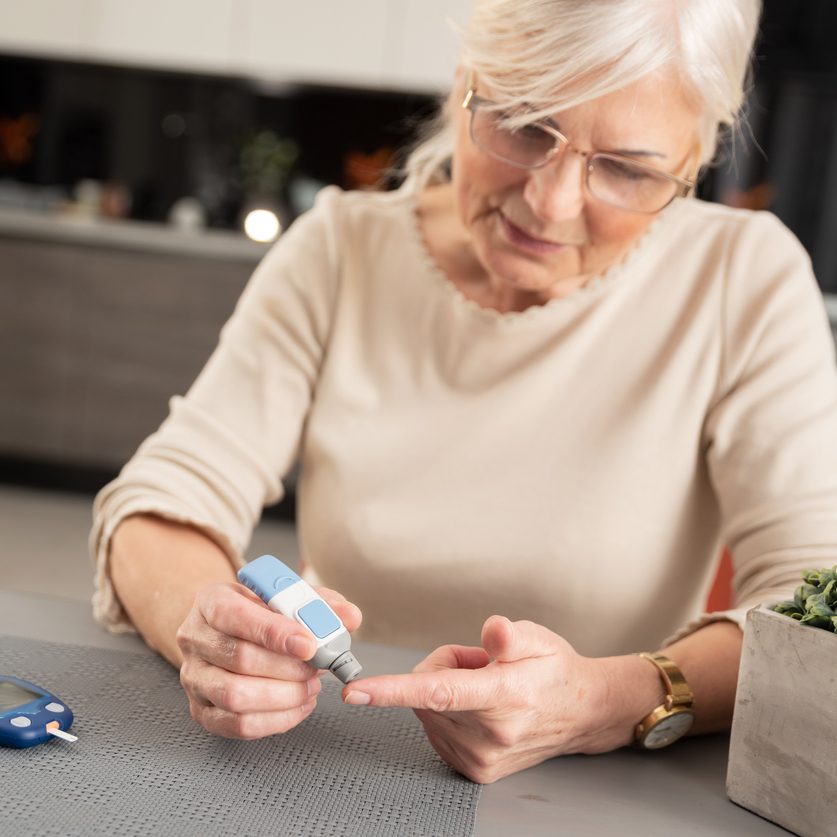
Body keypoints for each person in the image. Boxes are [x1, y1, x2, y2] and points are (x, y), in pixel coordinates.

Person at [90, 0, 837, 783]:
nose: (549, 204)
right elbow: (159, 503)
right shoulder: (341, 252)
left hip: (607, 787)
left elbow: (814, 600)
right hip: (329, 759)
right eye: (523, 124)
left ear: (696, 158)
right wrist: (206, 629)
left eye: (625, 168)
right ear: (462, 86)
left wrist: (607, 700)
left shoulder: (743, 282)